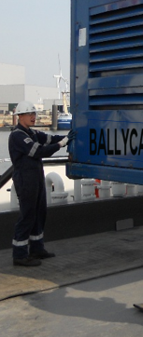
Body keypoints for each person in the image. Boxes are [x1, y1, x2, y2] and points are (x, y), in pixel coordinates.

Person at [10, 101, 76, 266]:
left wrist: (69, 137)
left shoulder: (31, 133)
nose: (34, 117)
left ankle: (37, 249)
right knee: (27, 215)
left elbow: (50, 138)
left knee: (39, 213)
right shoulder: (18, 136)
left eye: (34, 114)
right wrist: (62, 143)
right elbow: (39, 151)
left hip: (36, 177)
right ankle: (19, 255)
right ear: (20, 116)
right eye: (30, 114)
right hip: (25, 180)